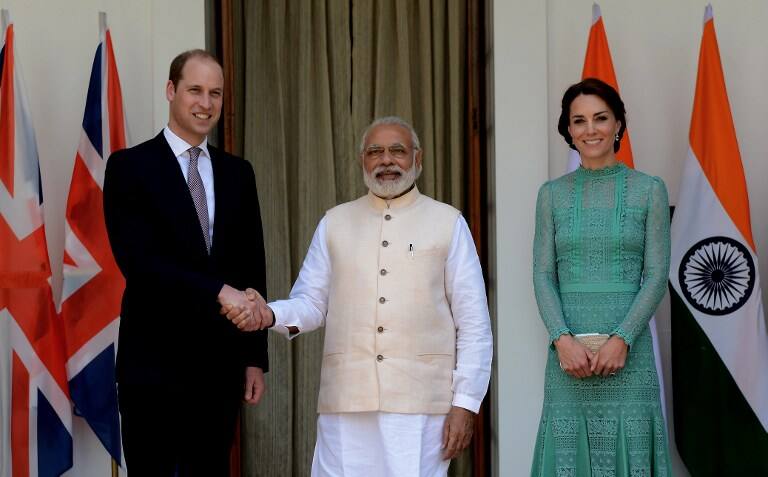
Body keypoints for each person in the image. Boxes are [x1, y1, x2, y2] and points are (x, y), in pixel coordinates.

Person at [225, 116, 493, 476]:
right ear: (361, 161)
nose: (386, 160)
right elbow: (311, 302)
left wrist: (466, 404)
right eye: (375, 152)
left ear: (418, 159)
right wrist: (268, 315)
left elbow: (474, 324)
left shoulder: (448, 222)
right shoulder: (335, 222)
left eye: (397, 150)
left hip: (420, 407)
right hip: (345, 405)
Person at [103, 49, 270, 475]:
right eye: (195, 90)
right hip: (152, 368)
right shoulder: (129, 167)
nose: (206, 103)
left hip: (220, 370)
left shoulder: (239, 173)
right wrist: (218, 290)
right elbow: (140, 263)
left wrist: (254, 357)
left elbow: (252, 266)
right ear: (171, 90)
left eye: (215, 93)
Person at [530, 78, 673, 476]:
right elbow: (542, 273)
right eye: (579, 121)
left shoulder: (649, 190)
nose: (590, 129)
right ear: (569, 131)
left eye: (600, 118)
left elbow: (656, 275)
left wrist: (621, 339)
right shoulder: (551, 195)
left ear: (618, 125)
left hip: (629, 354)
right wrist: (562, 339)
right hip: (567, 355)